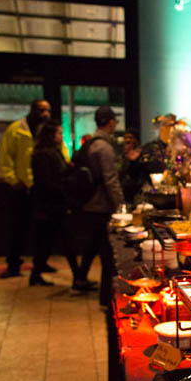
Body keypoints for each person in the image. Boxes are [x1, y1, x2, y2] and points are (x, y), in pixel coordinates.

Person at [0, 99, 58, 278]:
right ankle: (13, 265)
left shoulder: (48, 132)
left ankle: (41, 262)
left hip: (42, 187)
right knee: (18, 228)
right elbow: (5, 157)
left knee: (43, 229)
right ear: (32, 110)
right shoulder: (16, 130)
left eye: (47, 110)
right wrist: (13, 180)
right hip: (21, 188)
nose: (45, 114)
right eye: (41, 110)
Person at [75, 105, 125, 302]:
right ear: (111, 122)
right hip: (100, 205)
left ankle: (79, 279)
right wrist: (121, 206)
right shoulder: (104, 147)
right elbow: (110, 180)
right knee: (107, 252)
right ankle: (106, 297)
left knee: (93, 243)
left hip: (88, 203)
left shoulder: (90, 143)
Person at [29, 121, 80, 287]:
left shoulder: (50, 153)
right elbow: (48, 182)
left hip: (51, 204)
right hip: (51, 205)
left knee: (49, 241)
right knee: (60, 241)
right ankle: (78, 276)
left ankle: (36, 275)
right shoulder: (45, 154)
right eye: (59, 133)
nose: (61, 136)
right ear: (51, 135)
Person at [119, 129, 148, 202]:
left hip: (138, 190)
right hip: (125, 190)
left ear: (136, 139)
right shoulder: (122, 155)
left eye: (131, 137)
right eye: (126, 138)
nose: (128, 140)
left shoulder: (142, 153)